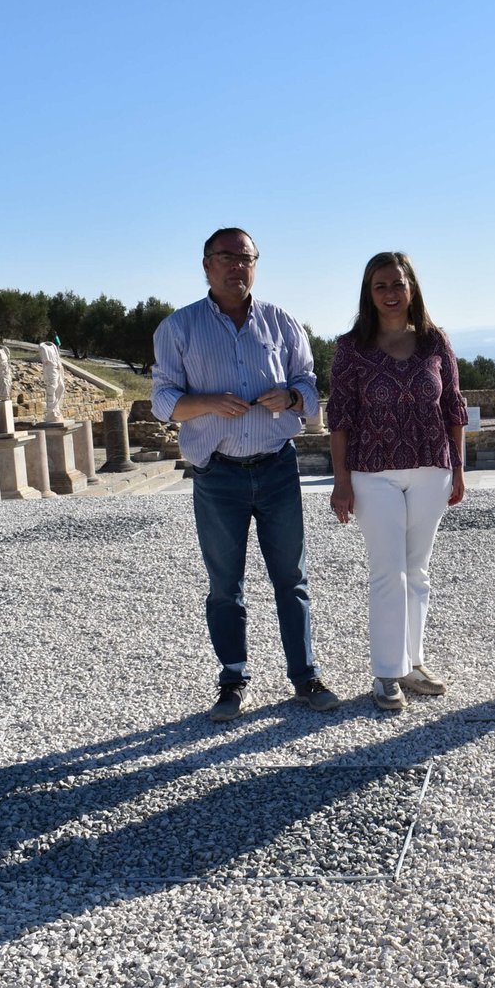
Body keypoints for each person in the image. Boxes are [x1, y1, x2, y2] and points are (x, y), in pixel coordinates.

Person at [152, 227, 341, 721]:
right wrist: (207, 402)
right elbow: (163, 399)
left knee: (292, 580)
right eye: (226, 257)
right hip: (217, 474)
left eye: (245, 257)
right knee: (224, 585)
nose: (236, 266)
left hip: (277, 467)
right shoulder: (179, 328)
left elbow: (311, 386)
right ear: (206, 265)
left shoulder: (283, 323)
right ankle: (232, 681)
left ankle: (305, 677)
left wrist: (293, 396)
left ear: (256, 264)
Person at [328, 252, 468, 711]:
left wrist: (459, 469)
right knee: (389, 571)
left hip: (432, 466)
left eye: (398, 284)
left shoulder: (434, 342)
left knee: (418, 572)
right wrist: (341, 481)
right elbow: (341, 417)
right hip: (373, 472)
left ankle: (413, 663)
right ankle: (387, 671)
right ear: (369, 294)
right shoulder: (351, 347)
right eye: (380, 286)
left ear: (412, 288)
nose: (390, 294)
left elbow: (453, 408)